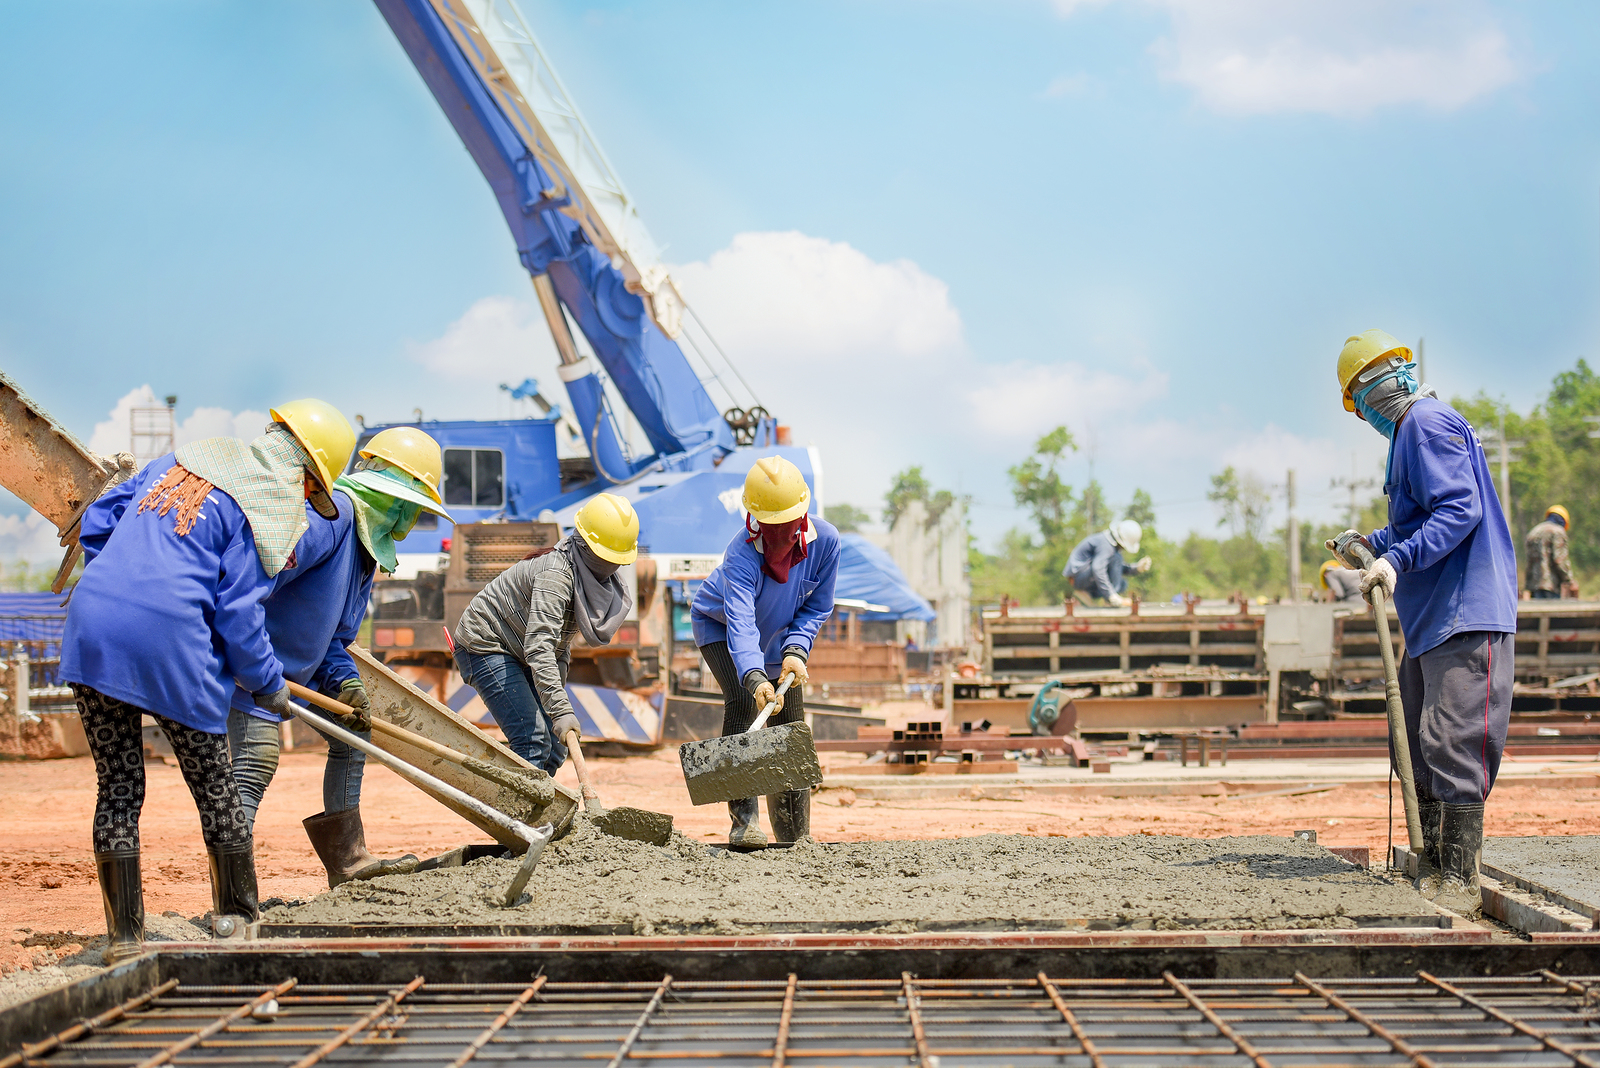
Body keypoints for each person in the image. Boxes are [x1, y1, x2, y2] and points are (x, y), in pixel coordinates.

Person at [60, 401, 354, 962]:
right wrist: (269, 682)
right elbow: (239, 614)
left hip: (92, 623)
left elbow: (99, 521)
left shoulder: (174, 463)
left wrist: (126, 583)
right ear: (305, 475)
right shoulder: (258, 507)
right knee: (215, 786)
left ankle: (125, 940)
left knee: (119, 785)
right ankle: (239, 921)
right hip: (170, 642)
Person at [1331, 328, 1517, 916]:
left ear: (1371, 392)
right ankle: (1433, 865)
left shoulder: (1427, 424)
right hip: (1433, 615)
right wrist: (1373, 544)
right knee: (1414, 741)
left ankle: (1457, 878)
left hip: (1464, 610)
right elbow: (1419, 523)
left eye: (1359, 399)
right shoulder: (1410, 436)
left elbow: (1460, 510)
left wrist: (1395, 559)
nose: (1364, 413)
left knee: (1451, 741)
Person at [226, 425, 452, 887]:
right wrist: (256, 668)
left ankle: (349, 863)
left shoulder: (368, 550)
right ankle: (232, 892)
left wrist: (346, 683)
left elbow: (333, 638)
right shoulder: (333, 519)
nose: (411, 521)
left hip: (297, 674)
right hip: (249, 666)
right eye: (413, 507)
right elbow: (252, 588)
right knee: (256, 761)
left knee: (353, 733)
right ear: (396, 497)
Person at [691, 457, 839, 848]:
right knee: (743, 702)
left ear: (803, 513)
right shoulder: (740, 554)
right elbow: (740, 621)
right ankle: (744, 824)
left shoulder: (826, 542)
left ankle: (795, 835)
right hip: (720, 630)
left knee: (790, 723)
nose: (779, 533)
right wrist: (755, 677)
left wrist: (796, 650)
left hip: (779, 640)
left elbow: (817, 606)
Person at [452, 493, 637, 774]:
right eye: (607, 557)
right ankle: (514, 817)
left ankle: (538, 814)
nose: (612, 567)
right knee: (533, 740)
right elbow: (540, 646)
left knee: (556, 745)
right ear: (586, 546)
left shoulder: (587, 580)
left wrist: (556, 704)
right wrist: (561, 710)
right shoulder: (557, 575)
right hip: (486, 643)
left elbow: (559, 645)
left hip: (521, 646)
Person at [1063, 520, 1152, 606]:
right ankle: (1110, 601)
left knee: (1123, 584)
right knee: (1116, 558)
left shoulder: (1108, 544)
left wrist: (1136, 568)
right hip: (1078, 579)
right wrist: (1111, 595)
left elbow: (1117, 568)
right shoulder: (1106, 545)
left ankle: (1098, 596)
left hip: (1085, 579)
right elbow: (1098, 568)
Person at [1525, 505, 1575, 600]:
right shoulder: (1557, 532)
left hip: (1534, 586)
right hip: (1551, 585)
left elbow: (1529, 562)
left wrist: (1527, 586)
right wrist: (1569, 580)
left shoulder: (1534, 532)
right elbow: (1559, 560)